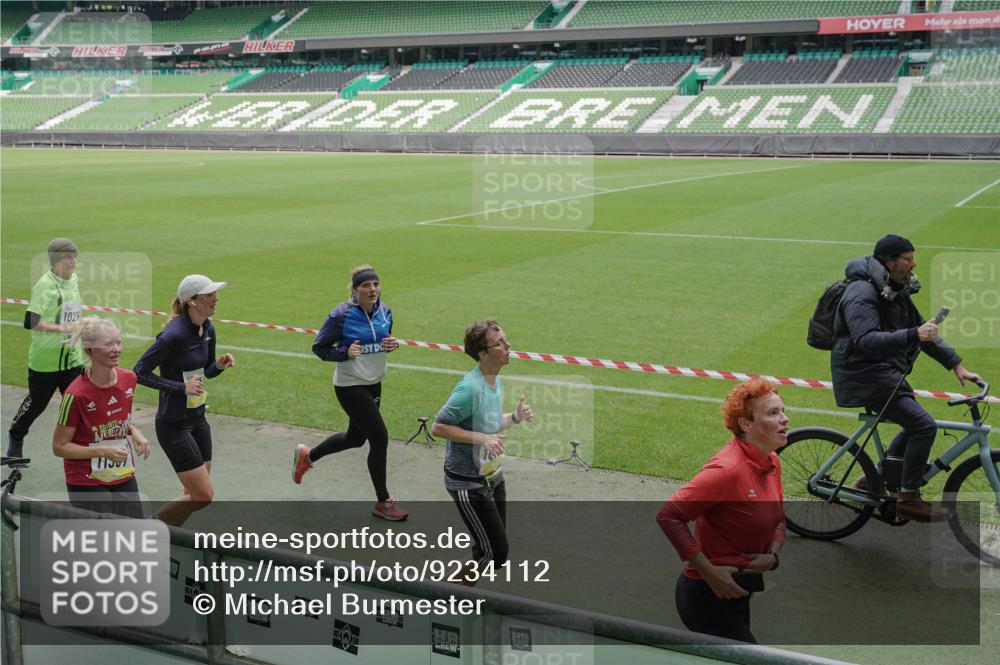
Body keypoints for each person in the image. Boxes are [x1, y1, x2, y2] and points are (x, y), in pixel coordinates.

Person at [831, 234, 981, 522]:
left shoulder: (892, 288)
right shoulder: (862, 292)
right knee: (923, 426)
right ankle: (908, 498)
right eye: (908, 258)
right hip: (861, 373)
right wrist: (913, 335)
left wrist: (957, 365)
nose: (914, 263)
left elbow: (922, 330)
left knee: (915, 423)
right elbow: (865, 341)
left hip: (882, 372)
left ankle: (872, 479)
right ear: (889, 262)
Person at [656, 379, 787, 643]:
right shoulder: (727, 471)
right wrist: (710, 573)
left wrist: (772, 556)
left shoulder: (772, 461)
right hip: (705, 595)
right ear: (746, 425)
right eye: (773, 413)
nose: (785, 419)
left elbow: (778, 517)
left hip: (739, 590)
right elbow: (669, 515)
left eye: (783, 410)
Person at [292, 265, 407, 521]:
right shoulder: (341, 315)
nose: (373, 289)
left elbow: (384, 339)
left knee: (356, 438)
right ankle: (383, 502)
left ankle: (307, 457)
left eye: (376, 284)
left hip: (374, 382)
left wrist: (392, 344)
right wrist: (344, 352)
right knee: (380, 437)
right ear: (355, 290)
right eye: (366, 285)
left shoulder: (385, 311)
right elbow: (319, 347)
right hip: (349, 385)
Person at [431, 320, 533, 586]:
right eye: (499, 343)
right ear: (483, 353)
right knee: (494, 553)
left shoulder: (493, 380)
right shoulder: (470, 389)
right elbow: (438, 427)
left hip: (492, 476)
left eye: (506, 339)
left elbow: (487, 422)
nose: (508, 345)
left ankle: (447, 592)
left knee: (489, 549)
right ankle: (441, 598)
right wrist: (481, 438)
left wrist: (514, 417)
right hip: (468, 482)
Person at [133, 275, 235, 526]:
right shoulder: (173, 335)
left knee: (193, 494)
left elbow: (206, 371)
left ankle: (166, 536)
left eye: (215, 293)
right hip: (173, 424)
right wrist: (181, 387)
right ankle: (148, 529)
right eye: (209, 294)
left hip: (198, 418)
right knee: (203, 495)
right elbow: (139, 372)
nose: (215, 299)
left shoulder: (208, 328)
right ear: (192, 301)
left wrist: (219, 366)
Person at [53, 317, 150, 518]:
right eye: (108, 344)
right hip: (85, 479)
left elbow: (109, 419)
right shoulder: (76, 394)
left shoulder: (129, 379)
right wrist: (103, 451)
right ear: (89, 348)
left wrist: (134, 431)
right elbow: (60, 446)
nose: (116, 349)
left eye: (118, 342)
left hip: (121, 473)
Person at [7, 238, 85, 459]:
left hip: (72, 358)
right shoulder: (45, 285)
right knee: (36, 405)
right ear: (57, 260)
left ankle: (82, 449)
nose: (74, 262)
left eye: (75, 256)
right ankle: (16, 435)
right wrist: (63, 328)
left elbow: (69, 312)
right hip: (46, 361)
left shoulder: (73, 279)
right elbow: (30, 321)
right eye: (69, 257)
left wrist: (81, 327)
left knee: (78, 403)